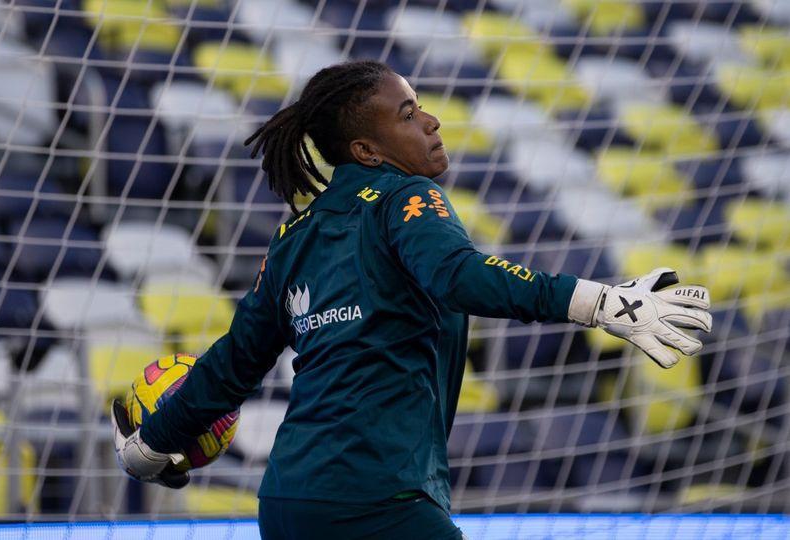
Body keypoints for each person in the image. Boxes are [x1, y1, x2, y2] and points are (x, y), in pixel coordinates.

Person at [111, 60, 712, 539]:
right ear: (369, 151)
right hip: (379, 499)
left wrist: (151, 443)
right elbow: (460, 276)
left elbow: (230, 365)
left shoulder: (293, 236)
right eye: (407, 113)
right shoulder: (406, 198)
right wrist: (602, 303)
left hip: (288, 505)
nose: (432, 121)